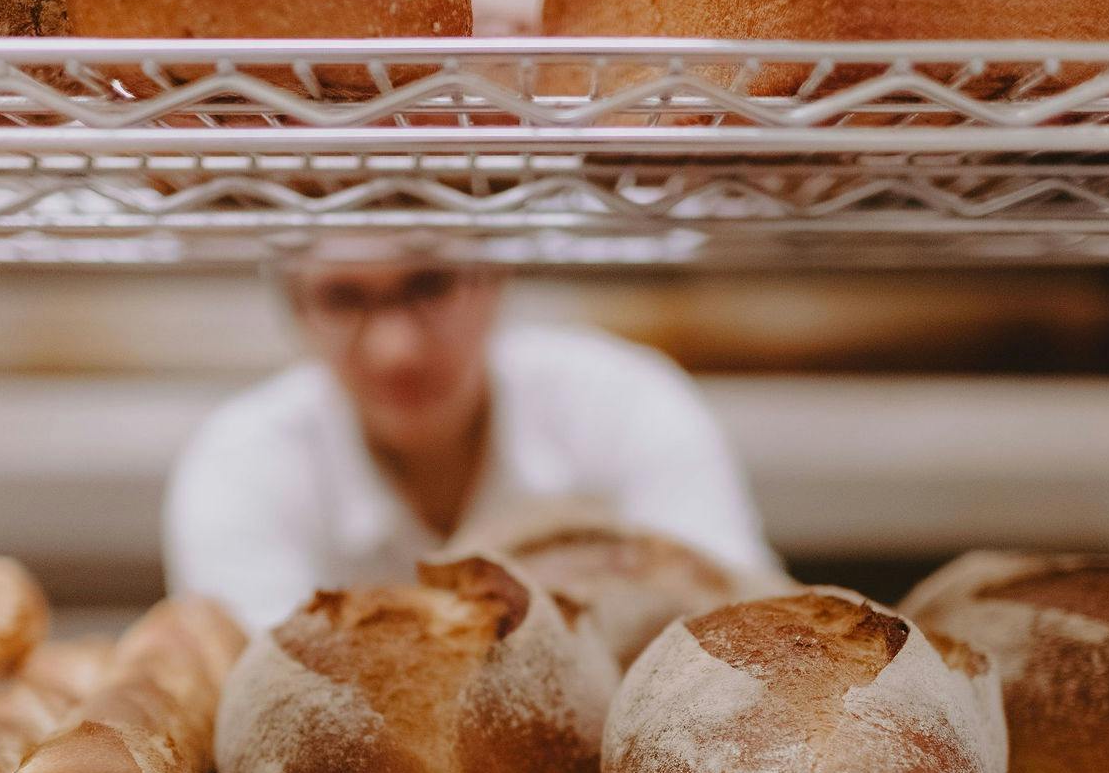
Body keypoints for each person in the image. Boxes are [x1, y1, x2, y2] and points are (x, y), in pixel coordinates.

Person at [163, 250, 783, 631]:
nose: (396, 349)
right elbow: (266, 705)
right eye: (341, 297)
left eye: (430, 286)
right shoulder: (240, 463)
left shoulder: (624, 404)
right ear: (296, 313)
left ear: (495, 278)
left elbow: (733, 628)